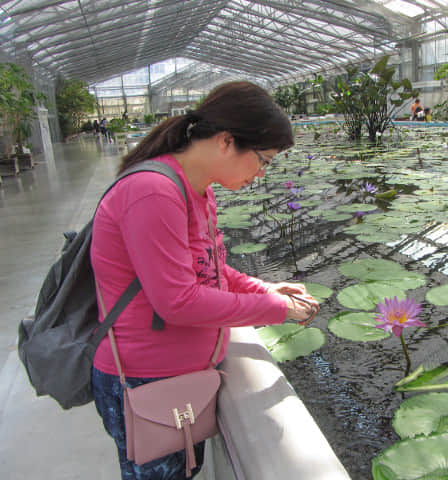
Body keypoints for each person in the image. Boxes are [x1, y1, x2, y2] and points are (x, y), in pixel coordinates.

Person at [90, 81, 319, 479]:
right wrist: (275, 309)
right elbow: (178, 302)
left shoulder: (196, 189)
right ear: (227, 141)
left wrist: (263, 288)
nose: (261, 174)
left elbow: (210, 270)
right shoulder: (153, 192)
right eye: (263, 160)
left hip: (179, 380)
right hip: (145, 381)